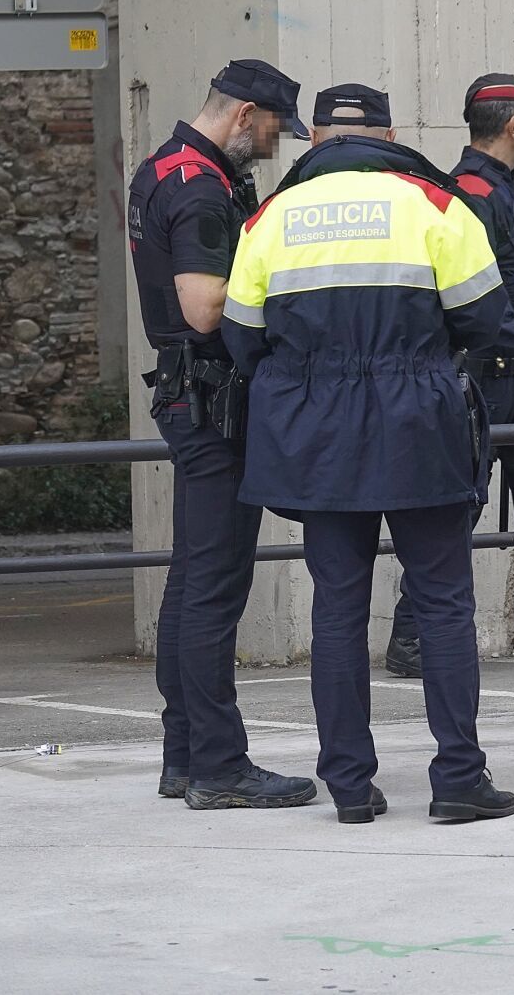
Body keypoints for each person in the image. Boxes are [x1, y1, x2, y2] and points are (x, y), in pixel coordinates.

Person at [224, 83, 514, 825]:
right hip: (420, 422)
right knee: (443, 604)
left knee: (337, 609)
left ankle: (350, 786)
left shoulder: (270, 217)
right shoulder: (438, 205)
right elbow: (487, 321)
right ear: (388, 136)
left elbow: (242, 339)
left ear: (317, 138)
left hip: (316, 435)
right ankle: (459, 778)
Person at [128, 58, 316, 811]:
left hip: (193, 397)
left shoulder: (164, 168)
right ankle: (218, 765)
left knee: (191, 582)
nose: (274, 144)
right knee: (214, 585)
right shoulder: (202, 186)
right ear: (243, 115)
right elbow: (205, 307)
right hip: (213, 402)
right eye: (272, 129)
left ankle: (185, 756)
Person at [382, 74, 514, 679]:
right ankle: (411, 637)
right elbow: (480, 298)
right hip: (485, 375)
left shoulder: (498, 189)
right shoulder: (473, 193)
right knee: (458, 510)